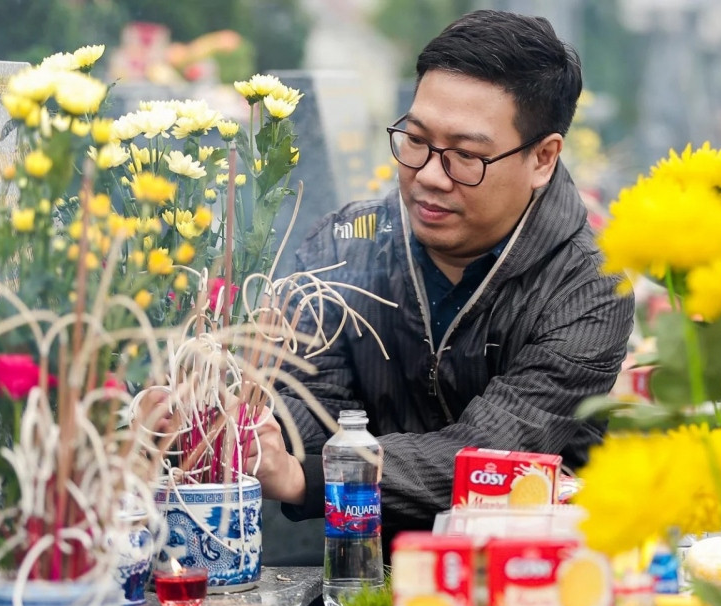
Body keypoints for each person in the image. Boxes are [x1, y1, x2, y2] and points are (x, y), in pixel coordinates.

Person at [248, 10, 634, 551]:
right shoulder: (341, 247)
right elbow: (307, 430)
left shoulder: (589, 289)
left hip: (534, 577)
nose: (428, 175)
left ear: (543, 158)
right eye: (416, 139)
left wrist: (309, 477)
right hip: (361, 571)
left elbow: (496, 455)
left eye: (466, 156)